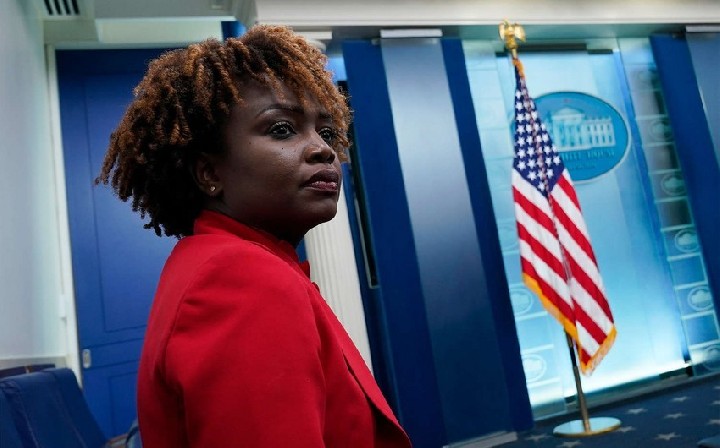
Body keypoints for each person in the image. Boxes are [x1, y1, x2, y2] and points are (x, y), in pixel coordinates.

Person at [97, 25, 412, 447]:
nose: (323, 149)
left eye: (327, 133)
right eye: (281, 129)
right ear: (209, 173)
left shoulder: (213, 260)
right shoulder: (241, 277)